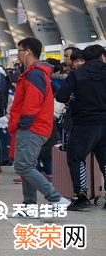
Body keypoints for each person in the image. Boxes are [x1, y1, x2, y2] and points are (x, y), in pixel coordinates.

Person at [9, 38, 71, 211]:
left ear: (27, 51)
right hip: (35, 126)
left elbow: (32, 101)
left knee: (23, 165)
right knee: (28, 164)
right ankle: (29, 206)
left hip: (33, 127)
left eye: (19, 50)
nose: (18, 54)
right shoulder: (34, 72)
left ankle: (56, 198)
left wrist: (23, 123)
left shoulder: (35, 73)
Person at [55, 44, 106, 211]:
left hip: (85, 123)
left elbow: (61, 96)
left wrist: (74, 99)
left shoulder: (77, 75)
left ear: (84, 59)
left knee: (76, 158)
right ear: (102, 56)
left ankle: (81, 195)